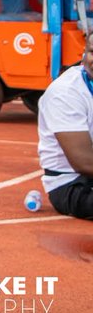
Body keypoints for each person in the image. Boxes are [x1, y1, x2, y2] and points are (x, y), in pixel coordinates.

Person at [36, 34, 93, 220]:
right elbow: (84, 161)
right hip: (72, 182)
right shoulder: (66, 93)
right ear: (84, 53)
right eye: (92, 52)